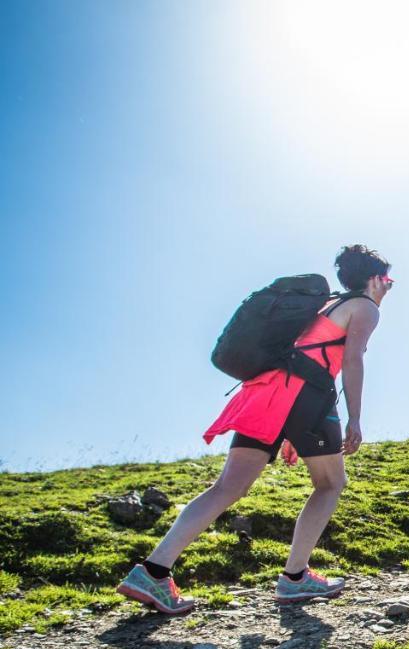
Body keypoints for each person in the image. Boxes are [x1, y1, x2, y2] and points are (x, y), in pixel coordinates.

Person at [115, 245, 393, 614]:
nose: (389, 286)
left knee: (227, 487)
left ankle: (152, 571)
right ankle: (295, 579)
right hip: (306, 395)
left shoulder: (324, 304)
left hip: (264, 392)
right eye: (388, 279)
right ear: (375, 279)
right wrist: (355, 418)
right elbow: (352, 359)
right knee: (330, 484)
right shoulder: (364, 308)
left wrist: (292, 429)